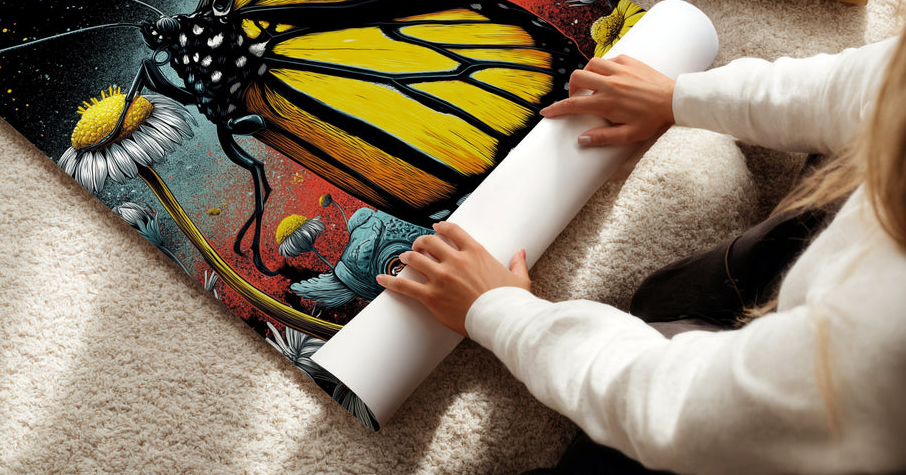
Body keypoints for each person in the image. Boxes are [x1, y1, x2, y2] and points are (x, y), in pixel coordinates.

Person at [376, 31, 906, 474]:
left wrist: (499, 311)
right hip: (835, 311)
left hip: (828, 425)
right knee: (669, 299)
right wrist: (679, 96)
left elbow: (676, 408)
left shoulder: (881, 345)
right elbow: (863, 85)